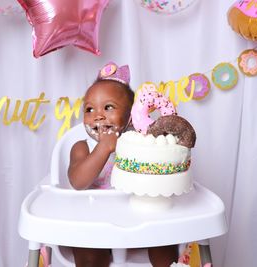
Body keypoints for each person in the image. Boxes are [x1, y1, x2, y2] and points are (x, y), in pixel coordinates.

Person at [68, 62, 178, 267]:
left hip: (140, 219)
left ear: (130, 116)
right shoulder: (82, 148)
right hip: (95, 224)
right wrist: (103, 148)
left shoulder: (139, 141)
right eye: (89, 109)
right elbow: (77, 182)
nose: (98, 115)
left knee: (166, 240)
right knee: (86, 252)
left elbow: (157, 174)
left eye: (108, 107)